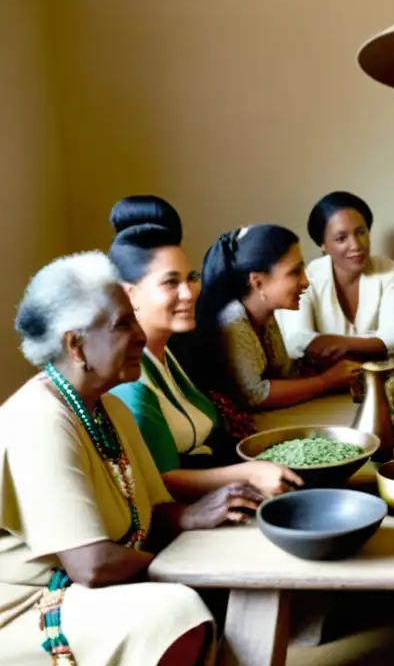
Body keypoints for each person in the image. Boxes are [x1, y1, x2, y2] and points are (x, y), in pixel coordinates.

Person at [0, 252, 268, 666]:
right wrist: (189, 566)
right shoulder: (40, 419)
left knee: (229, 581)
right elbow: (94, 566)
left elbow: (148, 512)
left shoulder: (107, 408)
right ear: (75, 345)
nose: (141, 336)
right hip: (26, 616)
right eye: (123, 324)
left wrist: (192, 516)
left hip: (79, 593)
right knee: (177, 613)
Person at [105, 196, 302, 501]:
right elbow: (160, 481)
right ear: (129, 296)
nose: (189, 293)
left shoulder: (166, 354)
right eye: (171, 283)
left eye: (190, 278)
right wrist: (250, 473)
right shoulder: (130, 380)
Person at [195, 224, 360, 410]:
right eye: (295, 272)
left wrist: (322, 365)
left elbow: (286, 374)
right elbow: (256, 395)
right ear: (257, 281)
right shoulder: (232, 322)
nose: (306, 281)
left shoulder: (265, 315)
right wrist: (326, 381)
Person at [276, 191, 394, 365]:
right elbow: (297, 341)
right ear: (323, 245)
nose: (356, 245)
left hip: (378, 375)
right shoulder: (307, 278)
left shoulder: (389, 271)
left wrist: (333, 343)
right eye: (341, 238)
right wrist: (373, 343)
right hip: (326, 378)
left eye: (361, 232)